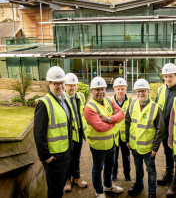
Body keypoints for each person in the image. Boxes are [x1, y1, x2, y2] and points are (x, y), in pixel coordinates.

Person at [34, 66, 78, 198]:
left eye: (61, 83)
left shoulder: (65, 98)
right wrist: (46, 156)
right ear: (49, 83)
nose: (59, 86)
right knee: (55, 191)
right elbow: (38, 133)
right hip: (53, 157)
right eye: (55, 83)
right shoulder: (44, 103)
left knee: (61, 184)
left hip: (65, 152)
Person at [84, 77, 124, 198]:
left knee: (109, 166)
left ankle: (108, 185)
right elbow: (99, 127)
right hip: (98, 146)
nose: (100, 91)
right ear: (92, 91)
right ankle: (99, 191)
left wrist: (110, 119)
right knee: (98, 168)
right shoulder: (89, 108)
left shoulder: (109, 100)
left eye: (102, 89)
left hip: (111, 143)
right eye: (97, 89)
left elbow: (121, 113)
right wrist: (114, 122)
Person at [125, 79, 164, 198]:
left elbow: (160, 129)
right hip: (135, 146)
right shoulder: (132, 105)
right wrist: (127, 140)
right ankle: (138, 184)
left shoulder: (155, 108)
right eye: (138, 91)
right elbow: (127, 123)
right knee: (138, 168)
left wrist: (155, 147)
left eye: (143, 91)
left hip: (148, 148)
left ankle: (152, 191)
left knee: (151, 170)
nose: (140, 94)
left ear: (148, 92)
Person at [155, 63, 176, 197]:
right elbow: (156, 108)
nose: (168, 79)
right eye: (165, 76)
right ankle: (169, 173)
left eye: (170, 76)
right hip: (164, 130)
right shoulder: (161, 89)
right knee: (167, 153)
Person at [64, 73, 88, 192]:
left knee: (77, 157)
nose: (72, 88)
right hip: (67, 135)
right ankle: (68, 180)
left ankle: (77, 178)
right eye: (70, 85)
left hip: (79, 132)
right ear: (64, 86)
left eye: (74, 85)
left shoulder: (81, 96)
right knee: (68, 158)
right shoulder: (61, 98)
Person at [111, 77, 132, 181]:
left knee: (126, 157)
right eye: (118, 89)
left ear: (126, 90)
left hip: (125, 137)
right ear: (114, 89)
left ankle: (127, 175)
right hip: (114, 136)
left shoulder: (131, 102)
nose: (120, 91)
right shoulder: (109, 102)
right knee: (113, 158)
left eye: (122, 89)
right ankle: (113, 175)